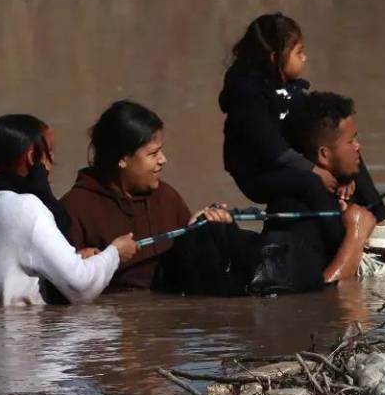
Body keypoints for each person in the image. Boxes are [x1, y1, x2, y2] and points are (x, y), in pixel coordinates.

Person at [218, 12, 385, 252]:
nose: (305, 57)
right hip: (258, 173)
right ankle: (345, 244)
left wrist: (345, 176)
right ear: (274, 58)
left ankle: (382, 221)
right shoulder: (247, 94)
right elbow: (268, 145)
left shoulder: (292, 89)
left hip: (292, 163)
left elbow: (312, 133)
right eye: (299, 52)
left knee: (347, 149)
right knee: (310, 182)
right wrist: (314, 170)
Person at [260, 91, 385, 286]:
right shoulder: (297, 210)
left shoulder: (342, 195)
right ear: (324, 154)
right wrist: (356, 235)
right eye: (350, 141)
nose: (358, 146)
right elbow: (316, 291)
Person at [59, 100, 251, 294]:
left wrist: (197, 229)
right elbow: (61, 287)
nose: (163, 159)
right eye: (153, 153)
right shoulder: (75, 207)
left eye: (161, 150)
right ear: (122, 159)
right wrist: (83, 262)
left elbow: (185, 269)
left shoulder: (167, 197)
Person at [0, 114, 136, 306]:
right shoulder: (27, 208)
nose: (52, 159)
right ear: (32, 157)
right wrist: (115, 253)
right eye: (50, 151)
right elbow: (81, 287)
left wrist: (77, 259)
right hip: (26, 325)